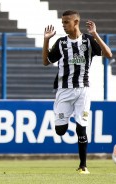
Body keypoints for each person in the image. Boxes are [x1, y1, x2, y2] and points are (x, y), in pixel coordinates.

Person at [42, 10, 113, 174]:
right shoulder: (61, 43)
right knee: (60, 131)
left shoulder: (88, 41)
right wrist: (46, 40)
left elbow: (109, 54)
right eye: (63, 23)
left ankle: (83, 166)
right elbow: (46, 61)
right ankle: (67, 126)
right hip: (63, 91)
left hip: (83, 90)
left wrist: (95, 34)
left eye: (66, 22)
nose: (63, 25)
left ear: (76, 22)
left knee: (82, 128)